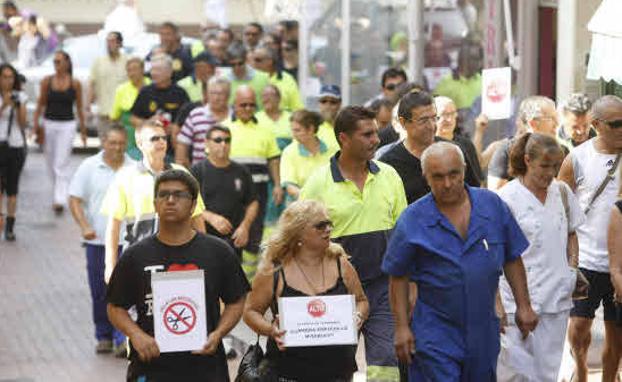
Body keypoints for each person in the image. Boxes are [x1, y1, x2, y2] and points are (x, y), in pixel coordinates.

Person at [382, 141, 538, 381]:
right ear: (425, 177)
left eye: (453, 174)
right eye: (438, 177)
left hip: (484, 326)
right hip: (435, 328)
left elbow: (512, 257)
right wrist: (401, 327)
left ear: (464, 170)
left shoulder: (492, 205)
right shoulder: (412, 219)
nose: (447, 184)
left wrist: (524, 305)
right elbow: (398, 276)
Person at [107, 169, 250, 381]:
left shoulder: (217, 252)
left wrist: (218, 334)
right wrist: (136, 335)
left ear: (193, 205)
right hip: (151, 366)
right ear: (155, 204)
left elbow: (237, 300)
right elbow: (115, 306)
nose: (170, 200)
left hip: (205, 367)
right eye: (163, 195)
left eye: (179, 195)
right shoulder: (135, 256)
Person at [300, 106, 407, 380]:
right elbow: (298, 238)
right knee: (335, 369)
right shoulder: (317, 183)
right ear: (344, 139)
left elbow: (403, 236)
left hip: (384, 290)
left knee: (386, 367)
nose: (377, 139)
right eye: (367, 134)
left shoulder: (389, 176)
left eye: (375, 133)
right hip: (336, 293)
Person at [243, 199, 369, 381]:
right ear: (299, 233)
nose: (328, 229)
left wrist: (357, 316)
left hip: (337, 373)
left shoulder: (341, 264)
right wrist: (271, 330)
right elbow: (250, 312)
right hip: (287, 373)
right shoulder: (274, 270)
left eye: (329, 223)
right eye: (320, 225)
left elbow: (362, 300)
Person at [496, 133, 585, 381]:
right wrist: (500, 305)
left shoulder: (562, 192)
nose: (551, 173)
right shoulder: (506, 198)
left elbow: (571, 233)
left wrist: (572, 268)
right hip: (517, 302)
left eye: (555, 167)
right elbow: (496, 253)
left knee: (548, 374)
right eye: (544, 166)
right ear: (527, 160)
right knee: (515, 374)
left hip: (556, 299)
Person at [558, 95, 622, 382]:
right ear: (596, 125)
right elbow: (559, 206)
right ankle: (581, 368)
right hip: (585, 259)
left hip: (619, 263)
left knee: (616, 334)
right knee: (578, 328)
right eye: (616, 124)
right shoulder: (577, 158)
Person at [101, 120, 206, 283]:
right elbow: (113, 228)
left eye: (164, 138)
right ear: (139, 143)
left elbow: (197, 219)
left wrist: (204, 258)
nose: (161, 142)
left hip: (179, 262)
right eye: (154, 138)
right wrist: (110, 266)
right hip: (139, 262)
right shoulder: (124, 178)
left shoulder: (183, 174)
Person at [68, 126, 133, 356]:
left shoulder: (134, 168)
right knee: (100, 292)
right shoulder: (89, 167)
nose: (117, 148)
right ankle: (103, 335)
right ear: (103, 142)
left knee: (123, 291)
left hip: (127, 242)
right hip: (97, 243)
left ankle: (121, 337)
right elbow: (74, 199)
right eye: (113, 143)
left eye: (121, 143)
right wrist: (85, 226)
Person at [379, 90, 480, 205]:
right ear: (403, 122)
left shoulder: (454, 152)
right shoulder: (389, 164)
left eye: (434, 118)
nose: (431, 126)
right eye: (423, 120)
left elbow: (474, 195)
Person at [224, 85, 282, 280]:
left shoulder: (265, 130)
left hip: (258, 191)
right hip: (230, 192)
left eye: (251, 105)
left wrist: (277, 184)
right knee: (231, 235)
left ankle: (249, 281)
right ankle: (232, 279)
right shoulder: (224, 129)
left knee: (254, 235)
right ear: (234, 105)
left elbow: (273, 159)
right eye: (243, 105)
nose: (248, 108)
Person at [190, 125, 258, 258]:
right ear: (207, 143)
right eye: (218, 140)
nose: (223, 144)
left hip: (234, 242)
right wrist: (210, 217)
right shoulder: (197, 171)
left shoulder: (241, 171)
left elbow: (252, 202)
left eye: (227, 140)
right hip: (204, 240)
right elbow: (187, 204)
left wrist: (245, 227)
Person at [33, 50, 86, 214]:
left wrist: (83, 130)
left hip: (67, 125)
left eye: (59, 61)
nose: (56, 65)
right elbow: (40, 104)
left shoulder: (75, 83)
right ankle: (58, 190)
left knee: (60, 163)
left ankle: (59, 198)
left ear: (67, 63)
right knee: (50, 162)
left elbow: (79, 108)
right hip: (49, 124)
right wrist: (36, 125)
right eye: (54, 62)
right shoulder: (47, 81)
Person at [488, 95, 560, 191]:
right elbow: (495, 195)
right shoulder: (506, 151)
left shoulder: (560, 151)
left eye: (557, 118)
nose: (557, 124)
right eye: (551, 119)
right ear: (533, 123)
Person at [130, 53, 189, 162]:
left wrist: (174, 128)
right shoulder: (145, 92)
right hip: (149, 149)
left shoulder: (180, 93)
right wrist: (148, 123)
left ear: (169, 72)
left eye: (157, 70)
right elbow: (133, 118)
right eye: (152, 70)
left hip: (172, 150)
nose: (153, 73)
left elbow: (189, 121)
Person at [281, 109, 336, 200]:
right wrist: (310, 201)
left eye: (297, 130)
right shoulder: (289, 152)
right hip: (300, 205)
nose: (293, 135)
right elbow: (290, 186)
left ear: (311, 129)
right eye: (293, 130)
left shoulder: (332, 151)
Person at [176, 76, 230, 167]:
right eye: (213, 93)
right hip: (200, 173)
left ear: (228, 95)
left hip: (230, 172)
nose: (216, 98)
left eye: (221, 94)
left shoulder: (235, 116)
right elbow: (182, 144)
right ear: (207, 94)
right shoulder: (195, 115)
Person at [0, 63, 26, 241]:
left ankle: (10, 226)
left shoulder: (21, 96)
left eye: (11, 77)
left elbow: (23, 124)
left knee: (12, 188)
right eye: (4, 77)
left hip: (15, 146)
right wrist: (4, 105)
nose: (8, 81)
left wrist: (17, 106)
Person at [109, 57, 150, 160]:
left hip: (150, 133)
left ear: (142, 70)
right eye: (129, 70)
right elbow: (114, 117)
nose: (132, 73)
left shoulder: (152, 86)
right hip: (130, 136)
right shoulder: (121, 89)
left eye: (135, 69)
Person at [87, 31, 127, 137]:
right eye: (108, 41)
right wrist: (88, 107)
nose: (109, 44)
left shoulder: (127, 61)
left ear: (120, 43)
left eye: (113, 41)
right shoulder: (99, 62)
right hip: (104, 114)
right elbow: (92, 84)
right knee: (105, 147)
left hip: (122, 115)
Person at [434, 96, 483, 182]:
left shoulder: (466, 145)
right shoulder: (425, 145)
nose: (449, 119)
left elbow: (477, 181)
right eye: (444, 114)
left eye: (452, 114)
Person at [252, 45, 303, 112]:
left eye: (258, 60)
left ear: (270, 61)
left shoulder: (287, 79)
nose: (254, 64)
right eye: (253, 60)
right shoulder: (250, 79)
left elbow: (297, 107)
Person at [433, 41, 482, 111]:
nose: (477, 63)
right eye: (473, 59)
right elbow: (434, 110)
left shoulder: (484, 81)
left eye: (478, 59)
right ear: (461, 60)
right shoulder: (446, 83)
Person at [225, 45, 269, 109]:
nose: (237, 67)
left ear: (246, 60)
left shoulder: (264, 78)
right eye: (233, 65)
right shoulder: (224, 80)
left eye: (240, 63)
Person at [256, 84, 292, 150]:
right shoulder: (256, 118)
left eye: (270, 95)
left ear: (279, 98)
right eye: (264, 96)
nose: (266, 99)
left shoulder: (291, 118)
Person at [316, 84, 341, 151]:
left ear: (340, 104)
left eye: (333, 102)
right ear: (318, 103)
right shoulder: (310, 128)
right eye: (323, 101)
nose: (328, 106)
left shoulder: (348, 129)